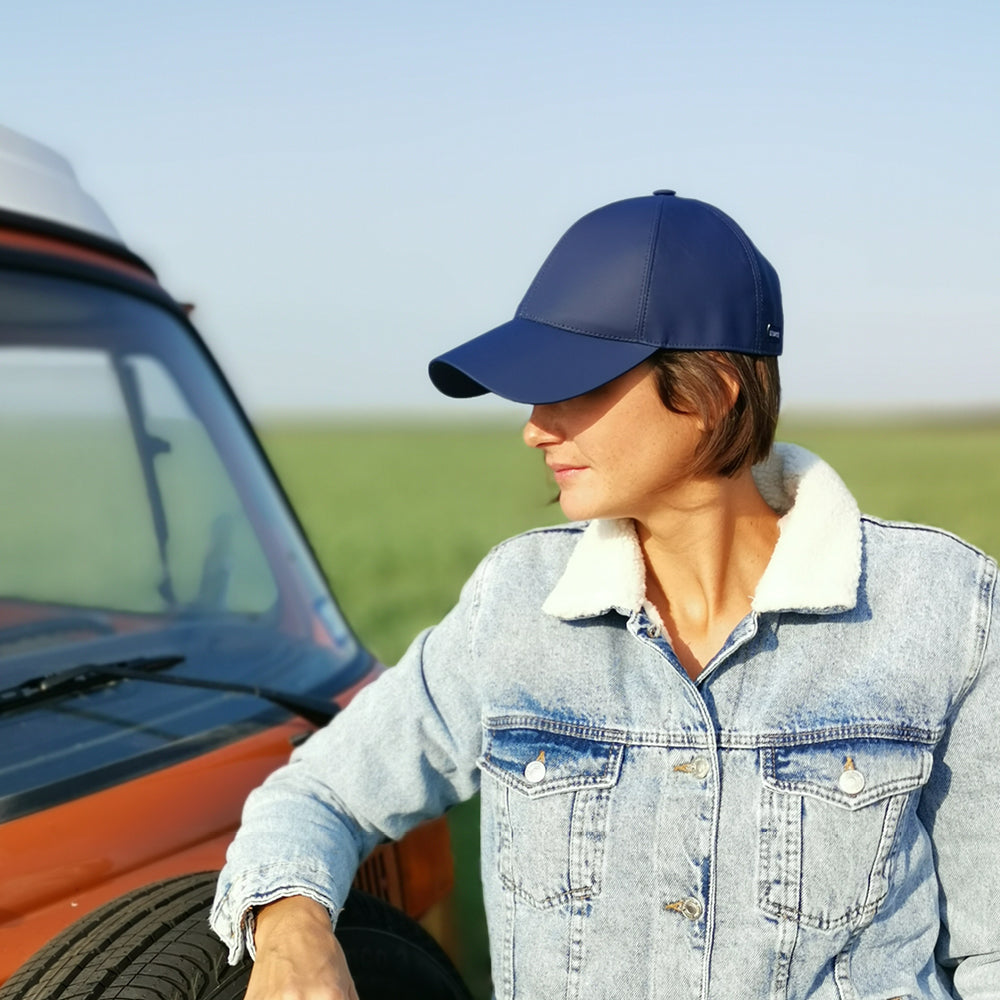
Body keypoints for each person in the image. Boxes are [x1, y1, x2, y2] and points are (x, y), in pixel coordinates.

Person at [211, 191, 1000, 999]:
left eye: (572, 384)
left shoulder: (945, 609)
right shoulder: (515, 607)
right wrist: (290, 925)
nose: (534, 426)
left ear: (712, 388)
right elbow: (319, 791)